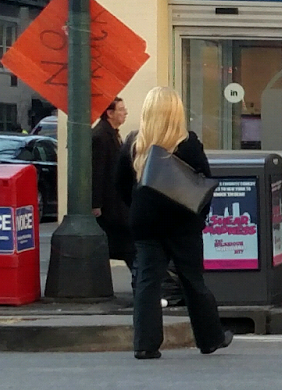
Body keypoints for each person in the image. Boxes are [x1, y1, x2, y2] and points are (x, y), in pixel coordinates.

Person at [116, 87, 232, 360]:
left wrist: (138, 207)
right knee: (192, 280)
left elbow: (120, 184)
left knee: (147, 282)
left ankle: (145, 344)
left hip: (146, 225)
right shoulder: (188, 143)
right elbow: (204, 183)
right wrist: (199, 218)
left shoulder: (135, 143)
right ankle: (209, 338)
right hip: (182, 223)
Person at [92, 97, 132, 273]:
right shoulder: (101, 136)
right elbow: (97, 172)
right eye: (121, 109)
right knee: (126, 246)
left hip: (116, 201)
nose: (125, 113)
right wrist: (96, 203)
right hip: (109, 204)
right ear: (110, 113)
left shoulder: (112, 133)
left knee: (125, 245)